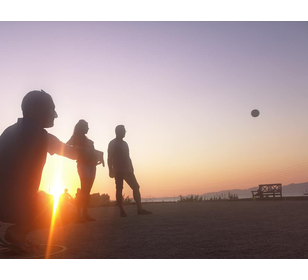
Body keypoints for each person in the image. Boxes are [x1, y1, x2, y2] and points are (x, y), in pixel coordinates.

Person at [0, 90, 103, 252]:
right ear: (35, 109)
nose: (55, 115)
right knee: (69, 210)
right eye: (51, 109)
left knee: (41, 196)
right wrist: (96, 154)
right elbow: (70, 151)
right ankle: (17, 232)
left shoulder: (9, 131)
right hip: (12, 206)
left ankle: (19, 233)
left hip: (4, 203)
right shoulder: (39, 135)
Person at [107, 125, 152, 217]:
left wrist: (131, 167)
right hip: (118, 170)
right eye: (123, 131)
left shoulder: (125, 143)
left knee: (135, 187)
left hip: (127, 169)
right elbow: (109, 157)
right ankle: (122, 210)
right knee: (119, 188)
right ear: (118, 131)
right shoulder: (112, 143)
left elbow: (128, 157)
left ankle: (139, 208)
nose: (125, 132)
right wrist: (110, 169)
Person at [67, 120, 104, 222]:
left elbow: (92, 152)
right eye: (87, 126)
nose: (88, 128)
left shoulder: (89, 141)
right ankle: (78, 215)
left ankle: (85, 213)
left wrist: (98, 158)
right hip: (83, 165)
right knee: (84, 190)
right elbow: (67, 146)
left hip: (92, 166)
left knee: (87, 191)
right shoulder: (75, 138)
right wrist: (78, 150)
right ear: (81, 127)